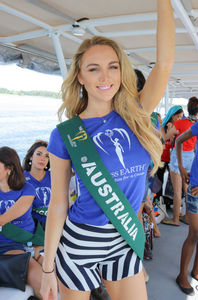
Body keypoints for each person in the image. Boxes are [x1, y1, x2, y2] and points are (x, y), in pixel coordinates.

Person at [40, 1, 175, 299]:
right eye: (94, 69)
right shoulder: (65, 135)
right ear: (80, 77)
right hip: (80, 241)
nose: (105, 77)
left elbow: (164, 63)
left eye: (113, 67)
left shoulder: (137, 114)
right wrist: (47, 268)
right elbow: (59, 204)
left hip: (124, 239)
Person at [0, 146, 43, 299]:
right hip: (9, 247)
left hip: (32, 242)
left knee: (59, 274)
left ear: (9, 168)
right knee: (41, 282)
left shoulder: (27, 189)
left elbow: (4, 219)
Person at [162, 97, 198, 226]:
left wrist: (167, 128)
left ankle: (175, 219)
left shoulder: (180, 123)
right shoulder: (197, 124)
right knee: (187, 189)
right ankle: (188, 217)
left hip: (178, 157)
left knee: (177, 192)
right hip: (191, 157)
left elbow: (165, 138)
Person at [175, 119, 198, 296]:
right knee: (196, 233)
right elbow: (178, 141)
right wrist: (182, 167)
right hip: (196, 188)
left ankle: (196, 271)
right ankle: (182, 275)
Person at [155, 105, 183, 200]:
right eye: (178, 116)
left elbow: (175, 142)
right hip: (162, 157)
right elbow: (161, 139)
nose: (179, 119)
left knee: (173, 182)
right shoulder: (162, 125)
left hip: (172, 158)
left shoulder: (178, 127)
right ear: (172, 115)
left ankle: (169, 201)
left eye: (181, 117)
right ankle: (158, 201)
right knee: (159, 180)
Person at [23, 140, 51, 230]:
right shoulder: (21, 178)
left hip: (53, 222)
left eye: (47, 156)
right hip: (31, 225)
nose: (43, 158)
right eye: (39, 154)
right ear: (31, 157)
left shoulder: (54, 176)